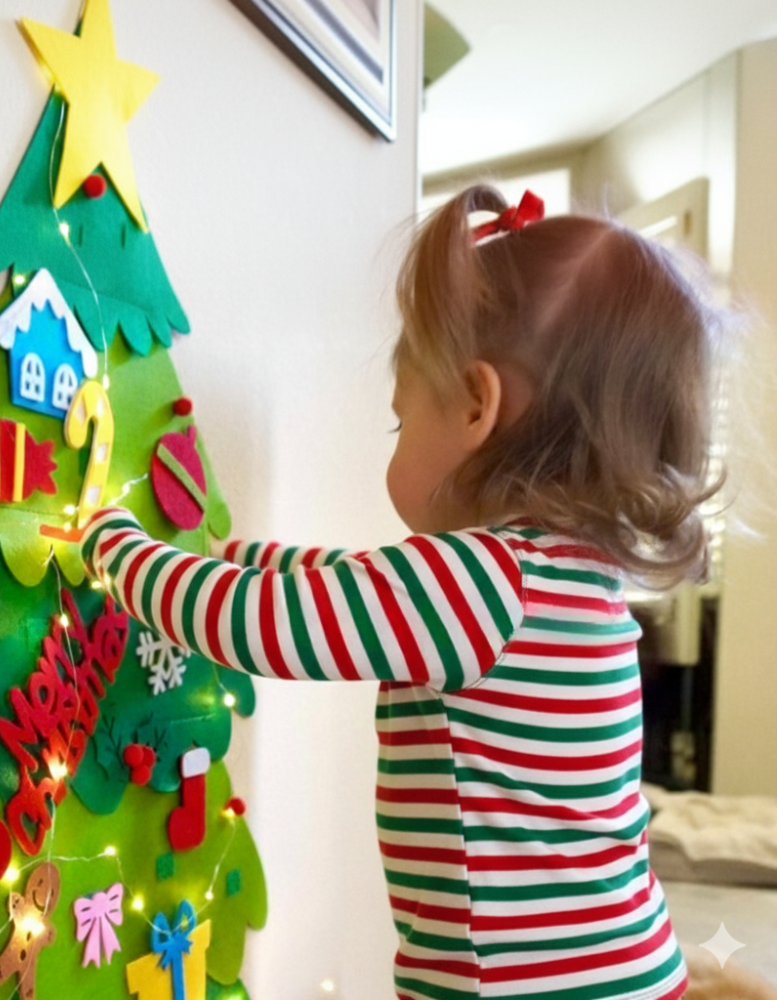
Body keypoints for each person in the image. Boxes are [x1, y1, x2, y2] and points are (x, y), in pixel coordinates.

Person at [82, 184, 724, 1000]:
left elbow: (262, 626)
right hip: (625, 962)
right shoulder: (565, 576)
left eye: (400, 418)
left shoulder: (480, 584)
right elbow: (351, 593)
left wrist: (115, 548)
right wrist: (236, 552)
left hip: (520, 986)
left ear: (475, 408)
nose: (396, 436)